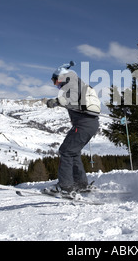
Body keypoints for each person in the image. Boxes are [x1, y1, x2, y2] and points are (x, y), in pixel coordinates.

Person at [46, 61, 99, 193]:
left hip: (83, 124)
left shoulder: (72, 82)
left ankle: (65, 186)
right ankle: (80, 184)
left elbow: (72, 97)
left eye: (56, 81)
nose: (56, 85)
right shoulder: (78, 83)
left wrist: (57, 101)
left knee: (66, 151)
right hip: (90, 123)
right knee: (73, 152)